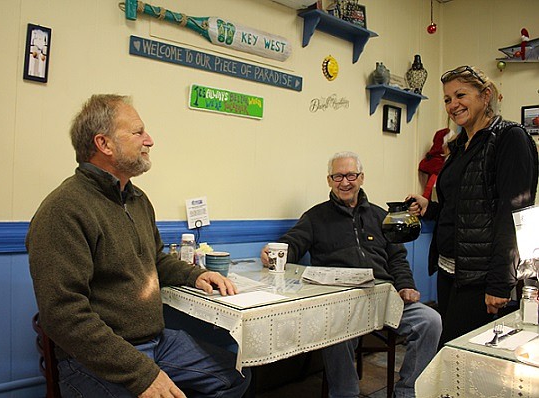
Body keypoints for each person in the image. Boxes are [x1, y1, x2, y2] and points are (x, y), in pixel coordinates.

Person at [26, 94, 250, 398]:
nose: (150, 140)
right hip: (96, 358)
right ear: (104, 144)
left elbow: (154, 260)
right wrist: (143, 375)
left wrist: (193, 275)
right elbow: (63, 315)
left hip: (156, 342)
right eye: (138, 132)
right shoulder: (64, 209)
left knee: (236, 376)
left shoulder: (137, 199)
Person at [261, 151, 441, 398]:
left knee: (430, 321)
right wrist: (273, 254)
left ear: (361, 178)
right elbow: (290, 245)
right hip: (341, 304)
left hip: (385, 296)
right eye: (337, 176)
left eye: (350, 175)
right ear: (329, 180)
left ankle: (407, 391)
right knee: (335, 329)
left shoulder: (381, 216)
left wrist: (405, 287)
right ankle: (345, 394)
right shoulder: (315, 217)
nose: (344, 182)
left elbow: (397, 259)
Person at [408, 65, 538, 347]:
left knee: (465, 361)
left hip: (481, 280)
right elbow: (462, 210)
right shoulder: (458, 147)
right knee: (452, 352)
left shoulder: (509, 138)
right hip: (449, 273)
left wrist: (499, 283)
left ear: (485, 95)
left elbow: (514, 215)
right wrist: (429, 208)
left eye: (460, 95)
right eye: (446, 99)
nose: (452, 105)